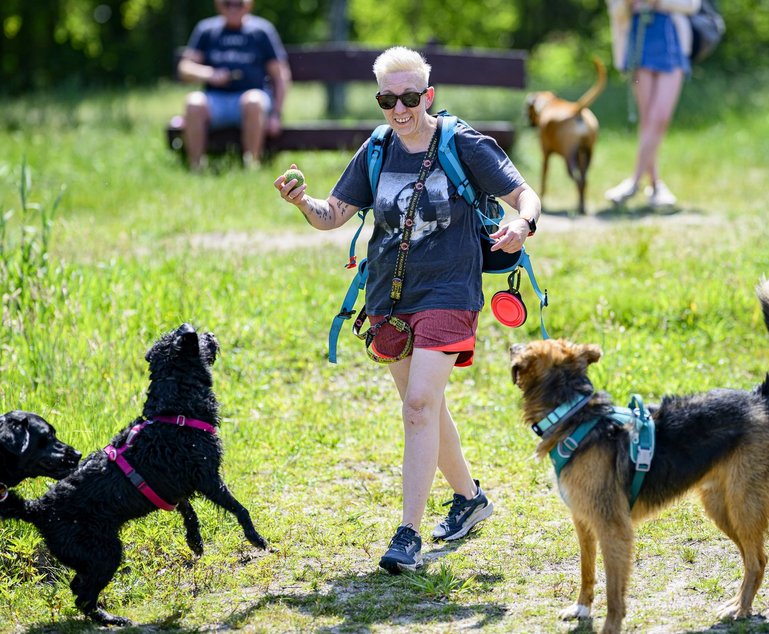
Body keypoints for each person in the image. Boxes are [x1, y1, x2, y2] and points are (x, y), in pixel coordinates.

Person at [273, 47, 542, 574]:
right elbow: (333, 215)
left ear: (429, 95)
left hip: (449, 289)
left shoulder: (460, 142)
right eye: (388, 99)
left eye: (410, 97)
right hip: (388, 298)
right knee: (427, 406)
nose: (400, 109)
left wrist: (522, 225)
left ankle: (407, 535)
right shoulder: (376, 149)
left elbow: (523, 193)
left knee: (418, 404)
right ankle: (469, 499)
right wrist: (303, 202)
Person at [605, 0, 700, 208]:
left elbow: (693, 5)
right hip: (639, 39)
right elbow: (617, 10)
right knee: (648, 119)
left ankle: (634, 182)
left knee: (660, 117)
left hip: (672, 39)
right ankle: (656, 185)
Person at [177, 0, 291, 171]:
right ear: (218, 4)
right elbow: (185, 68)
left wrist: (276, 114)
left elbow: (280, 74)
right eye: (227, 4)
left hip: (252, 100)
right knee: (193, 102)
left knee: (252, 100)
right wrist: (210, 74)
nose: (233, 8)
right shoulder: (206, 30)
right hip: (215, 100)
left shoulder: (261, 31)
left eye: (239, 4)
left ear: (249, 5)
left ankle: (251, 166)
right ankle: (196, 168)